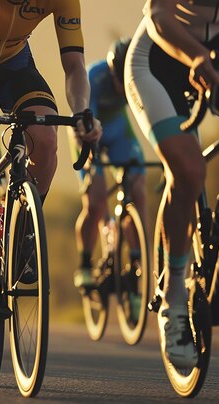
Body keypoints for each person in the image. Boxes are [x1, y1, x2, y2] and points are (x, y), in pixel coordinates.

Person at [0, 0, 102, 335]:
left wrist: (83, 111)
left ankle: (26, 231)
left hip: (17, 69)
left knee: (46, 140)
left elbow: (74, 67)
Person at [125, 0, 219, 369]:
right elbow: (158, 14)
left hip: (218, 51)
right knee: (189, 172)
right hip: (159, 60)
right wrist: (196, 55)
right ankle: (174, 295)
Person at [71, 38, 147, 288]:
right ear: (113, 72)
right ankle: (84, 263)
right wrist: (92, 161)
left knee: (138, 189)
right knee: (96, 201)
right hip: (87, 132)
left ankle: (137, 260)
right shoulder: (95, 77)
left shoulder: (136, 76)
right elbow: (83, 121)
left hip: (116, 132)